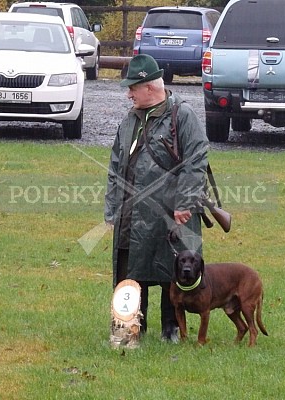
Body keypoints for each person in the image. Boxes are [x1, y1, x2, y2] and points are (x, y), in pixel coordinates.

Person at [104, 54, 209, 342]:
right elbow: (115, 166)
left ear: (149, 87)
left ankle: (171, 328)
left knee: (171, 269)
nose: (128, 94)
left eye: (132, 88)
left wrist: (185, 201)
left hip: (172, 210)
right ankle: (128, 328)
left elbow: (197, 159)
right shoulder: (129, 121)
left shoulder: (183, 115)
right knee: (129, 271)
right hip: (130, 211)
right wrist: (112, 207)